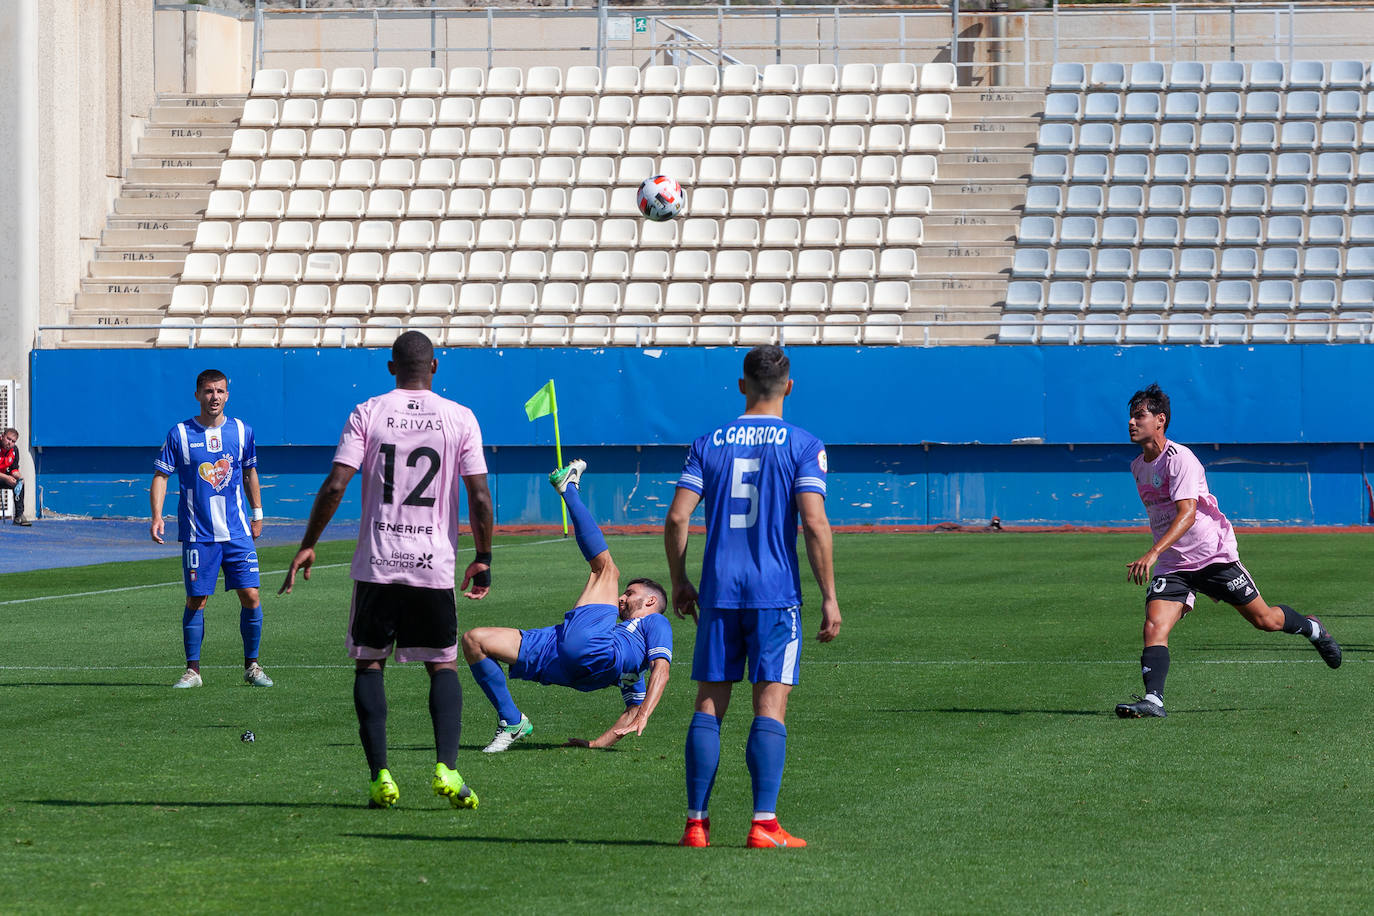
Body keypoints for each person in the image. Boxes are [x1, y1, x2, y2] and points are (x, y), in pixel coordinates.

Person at [278, 331, 493, 811]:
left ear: (391, 366)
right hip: (432, 565)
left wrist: (308, 544)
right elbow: (479, 496)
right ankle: (448, 768)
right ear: (434, 367)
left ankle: (380, 778)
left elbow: (336, 484)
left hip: (378, 561)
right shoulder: (460, 418)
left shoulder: (369, 411)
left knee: (369, 663)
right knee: (442, 663)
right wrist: (484, 556)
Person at [665, 345, 841, 850]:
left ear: (741, 385)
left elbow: (678, 517)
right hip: (774, 594)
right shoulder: (804, 444)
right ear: (789, 387)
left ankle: (696, 824)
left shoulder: (708, 443)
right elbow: (813, 522)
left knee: (708, 706)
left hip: (720, 592)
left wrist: (679, 580)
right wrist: (829, 596)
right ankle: (764, 824)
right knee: (770, 707)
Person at [1117, 383, 1342, 719]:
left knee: (1264, 620)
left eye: (1140, 416)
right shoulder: (1138, 466)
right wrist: (1161, 556)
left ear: (1160, 420)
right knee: (1154, 625)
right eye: (1131, 417)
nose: (1132, 422)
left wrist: (1151, 553)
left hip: (1211, 555)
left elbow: (1187, 514)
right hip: (1174, 563)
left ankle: (1312, 628)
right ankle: (1154, 701)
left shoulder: (1180, 460)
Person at [462, 459, 673, 753]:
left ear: (650, 601)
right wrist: (597, 743)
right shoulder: (630, 664)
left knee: (606, 570)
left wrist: (646, 715)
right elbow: (631, 710)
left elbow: (661, 671)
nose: (622, 598)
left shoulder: (655, 623)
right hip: (561, 654)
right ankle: (512, 720)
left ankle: (569, 488)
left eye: (630, 593)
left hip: (591, 648)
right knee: (475, 641)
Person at [150, 369, 270, 689]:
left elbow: (250, 473)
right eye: (207, 391)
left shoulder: (243, 431)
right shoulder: (180, 434)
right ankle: (193, 671)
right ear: (197, 395)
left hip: (237, 532)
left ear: (227, 394)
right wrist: (157, 515)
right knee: (196, 600)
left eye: (219, 391)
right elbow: (161, 476)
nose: (214, 397)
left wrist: (257, 513)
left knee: (251, 594)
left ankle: (252, 666)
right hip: (198, 533)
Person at [0, 427, 31, 526]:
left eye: (13, 441)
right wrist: (6, 477)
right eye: (8, 439)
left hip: (3, 477)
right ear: (2, 437)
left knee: (19, 483)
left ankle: (19, 516)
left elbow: (14, 470)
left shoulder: (14, 450)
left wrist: (20, 478)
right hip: (3, 476)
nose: (10, 443)